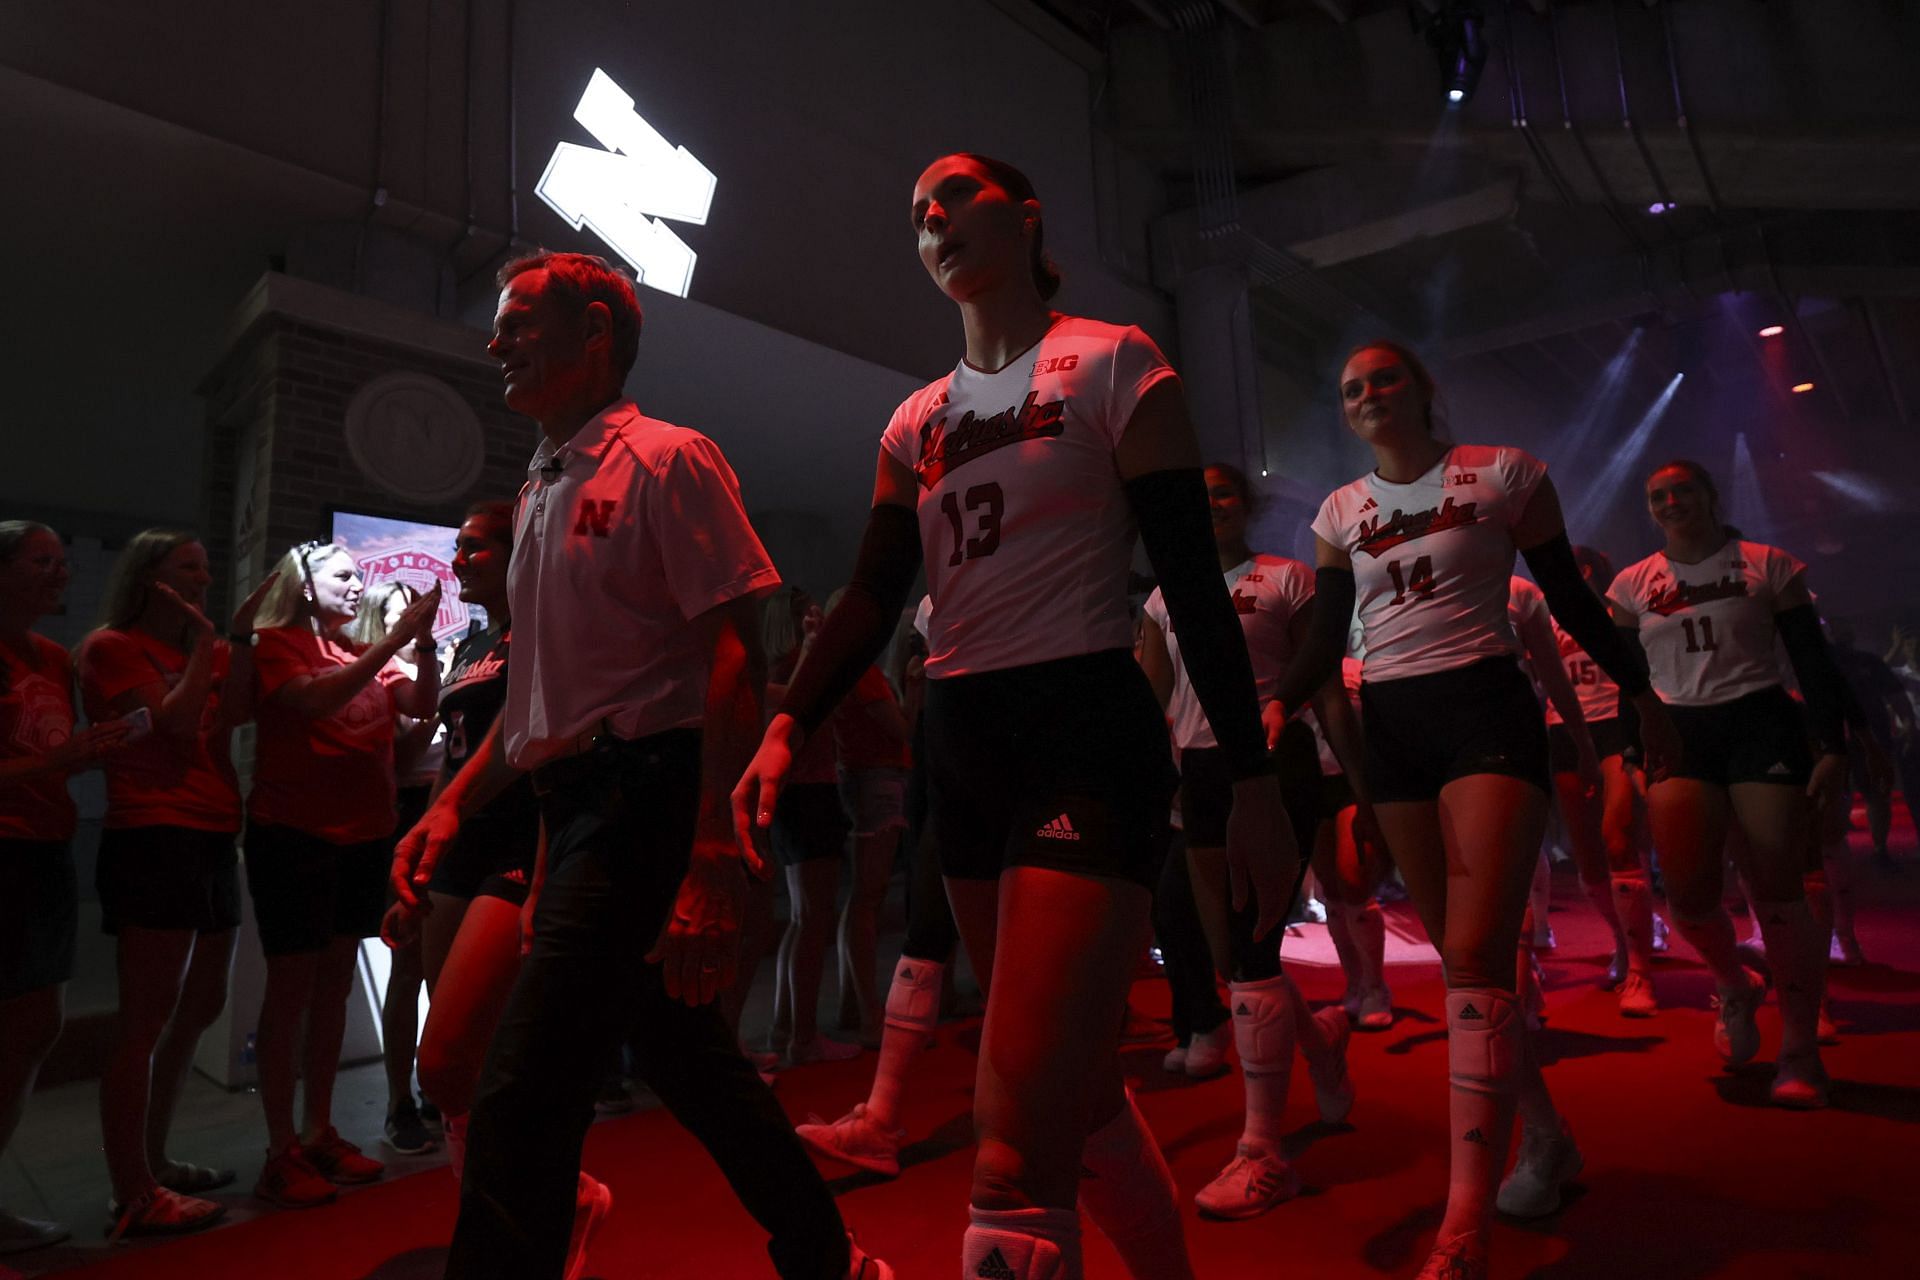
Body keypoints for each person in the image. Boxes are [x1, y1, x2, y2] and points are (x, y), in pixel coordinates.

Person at [736, 153, 1293, 1280]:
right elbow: (873, 593)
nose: (931, 218)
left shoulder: (1113, 361)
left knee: (1008, 1151)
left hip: (1086, 730)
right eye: (915, 214)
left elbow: (1190, 578)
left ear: (1025, 214)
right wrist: (789, 719)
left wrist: (1255, 779)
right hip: (967, 746)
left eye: (953, 195)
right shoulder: (914, 421)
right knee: (1075, 1090)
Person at [395, 250, 889, 1280]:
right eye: (498, 324)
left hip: (646, 796)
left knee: (523, 1083)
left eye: (520, 322)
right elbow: (539, 690)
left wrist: (712, 843)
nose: (495, 343)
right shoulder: (536, 491)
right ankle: (828, 1257)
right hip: (573, 805)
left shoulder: (669, 457)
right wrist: (455, 804)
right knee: (688, 1058)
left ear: (597, 336)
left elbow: (732, 651)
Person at [1267, 341, 1678, 1280]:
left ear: (1422, 390)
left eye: (1385, 378)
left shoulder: (1502, 475)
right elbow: (1326, 637)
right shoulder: (1339, 514)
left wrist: (1640, 693)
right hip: (1395, 725)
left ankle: (1463, 1220)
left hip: (1487, 709)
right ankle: (1545, 1137)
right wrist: (1275, 700)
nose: (1368, 394)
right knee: (1463, 961)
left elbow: (1571, 597)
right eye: (1352, 388)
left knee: (1482, 961)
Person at [1135, 462, 1362, 1219]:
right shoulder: (1164, 597)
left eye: (1225, 493)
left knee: (1257, 941)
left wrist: (1361, 775)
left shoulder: (1287, 579)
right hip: (1199, 774)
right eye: (1199, 499)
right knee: (1234, 956)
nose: (1214, 507)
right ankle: (1322, 1047)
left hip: (1273, 765)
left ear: (1246, 504)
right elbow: (1152, 697)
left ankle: (1261, 1150)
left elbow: (1322, 676)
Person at [1608, 459, 1853, 1109]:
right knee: (1687, 896)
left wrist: (1833, 744)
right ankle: (1735, 983)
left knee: (1777, 884)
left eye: (1683, 490)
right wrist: (1630, 751)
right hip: (1678, 733)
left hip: (1760, 722)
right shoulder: (1632, 584)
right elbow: (1627, 682)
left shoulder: (1768, 564)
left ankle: (1799, 1048)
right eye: (1658, 496)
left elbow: (1812, 660)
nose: (1670, 502)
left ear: (1711, 496)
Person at [78, 531, 274, 1236]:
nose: (203, 575)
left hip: (216, 832)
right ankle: (131, 1191)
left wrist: (240, 639)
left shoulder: (209, 648)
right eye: (186, 566)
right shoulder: (110, 647)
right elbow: (177, 721)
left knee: (202, 1003)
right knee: (145, 1017)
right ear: (147, 576)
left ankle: (155, 1163)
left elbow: (241, 713)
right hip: (154, 834)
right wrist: (202, 650)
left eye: (204, 563)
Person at [245, 540, 441, 1208]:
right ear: (303, 585)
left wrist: (423, 648)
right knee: (292, 989)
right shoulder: (277, 644)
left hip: (363, 838)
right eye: (344, 576)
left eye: (362, 577)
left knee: (333, 990)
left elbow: (419, 702)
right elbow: (312, 703)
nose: (359, 587)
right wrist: (392, 644)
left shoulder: (360, 655)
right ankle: (280, 1149)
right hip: (293, 837)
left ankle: (319, 1130)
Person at [384, 502, 550, 1200]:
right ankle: (492, 1206)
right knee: (451, 1067)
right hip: (455, 853)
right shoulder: (471, 647)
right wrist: (417, 847)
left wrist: (546, 877)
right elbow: (449, 762)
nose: (457, 562)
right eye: (456, 548)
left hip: (516, 847)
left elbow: (546, 758)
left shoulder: (546, 637)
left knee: (486, 1051)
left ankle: (535, 1199)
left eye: (476, 549)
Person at [0, 521, 129, 1256]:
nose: (60, 573)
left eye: (62, 561)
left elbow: (45, 752)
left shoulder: (52, 656)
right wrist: (59, 761)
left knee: (32, 1028)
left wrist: (91, 754)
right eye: (41, 561)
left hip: (45, 851)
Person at [348, 580, 443, 1156]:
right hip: (407, 812)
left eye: (418, 607)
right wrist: (440, 701)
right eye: (397, 609)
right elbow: (407, 757)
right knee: (408, 968)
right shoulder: (378, 675)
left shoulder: (446, 661)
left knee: (446, 964)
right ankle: (397, 1102)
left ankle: (437, 1084)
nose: (412, 617)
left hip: (453, 814)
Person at [765, 592, 863, 1066]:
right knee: (813, 919)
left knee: (804, 919)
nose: (816, 617)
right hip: (808, 793)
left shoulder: (778, 667)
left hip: (795, 798)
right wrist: (813, 647)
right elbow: (795, 711)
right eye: (806, 610)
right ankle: (803, 1037)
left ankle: (787, 1027)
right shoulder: (789, 670)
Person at [827, 589, 914, 1047]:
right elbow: (902, 730)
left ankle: (852, 1004)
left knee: (861, 897)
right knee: (867, 897)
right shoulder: (863, 673)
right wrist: (913, 696)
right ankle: (868, 1014)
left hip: (860, 776)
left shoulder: (843, 669)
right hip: (877, 779)